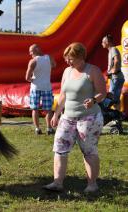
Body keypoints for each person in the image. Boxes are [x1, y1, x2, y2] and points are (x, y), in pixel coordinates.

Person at [43, 43, 106, 193]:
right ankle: (57, 182)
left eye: (71, 58)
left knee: (89, 151)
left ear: (81, 57)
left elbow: (102, 92)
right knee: (59, 148)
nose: (68, 61)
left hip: (89, 118)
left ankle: (92, 185)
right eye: (67, 58)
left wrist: (94, 100)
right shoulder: (67, 71)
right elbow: (63, 95)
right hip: (67, 117)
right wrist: (57, 113)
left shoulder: (93, 71)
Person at [25, 44, 56, 135]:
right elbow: (54, 65)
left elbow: (27, 77)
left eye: (31, 51)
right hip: (46, 86)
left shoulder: (33, 61)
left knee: (35, 109)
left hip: (36, 87)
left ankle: (37, 129)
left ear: (37, 49)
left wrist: (34, 80)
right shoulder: (49, 57)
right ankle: (49, 129)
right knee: (48, 109)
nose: (30, 53)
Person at [101, 34, 125, 110]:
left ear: (107, 42)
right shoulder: (111, 50)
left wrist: (113, 71)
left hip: (116, 77)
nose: (102, 43)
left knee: (111, 97)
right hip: (116, 77)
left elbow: (117, 60)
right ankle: (117, 115)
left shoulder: (113, 49)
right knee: (116, 99)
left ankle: (111, 114)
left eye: (103, 42)